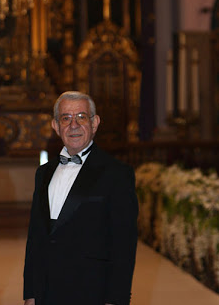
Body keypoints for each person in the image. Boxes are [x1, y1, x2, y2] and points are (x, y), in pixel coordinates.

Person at [23, 91, 138, 305]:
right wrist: (31, 293)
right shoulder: (44, 173)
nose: (73, 125)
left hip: (92, 291)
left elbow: (124, 246)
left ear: (94, 123)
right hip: (47, 292)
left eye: (81, 117)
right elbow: (35, 238)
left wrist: (116, 300)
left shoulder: (117, 174)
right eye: (65, 118)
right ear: (56, 126)